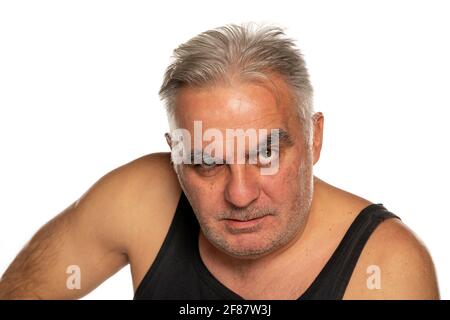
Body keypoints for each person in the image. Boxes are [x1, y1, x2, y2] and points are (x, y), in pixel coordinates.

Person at [0, 23, 439, 300]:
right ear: (175, 153)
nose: (240, 194)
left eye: (265, 153)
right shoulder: (137, 198)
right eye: (206, 162)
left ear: (314, 137)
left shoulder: (384, 266)